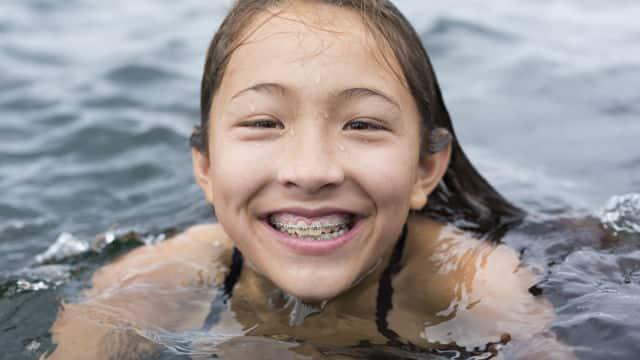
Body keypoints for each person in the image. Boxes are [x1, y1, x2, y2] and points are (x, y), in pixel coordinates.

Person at [44, 1, 575, 359]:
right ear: (205, 168)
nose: (312, 171)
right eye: (263, 123)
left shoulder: (480, 285)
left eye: (363, 125)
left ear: (424, 170)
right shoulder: (145, 285)